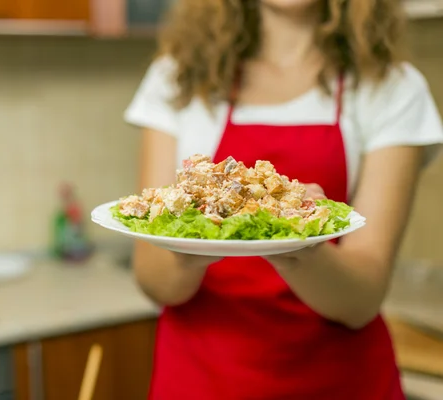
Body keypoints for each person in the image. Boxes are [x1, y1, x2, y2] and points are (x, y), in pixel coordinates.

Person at [123, 0, 443, 399]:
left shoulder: (391, 87)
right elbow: (155, 279)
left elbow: (361, 298)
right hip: (200, 376)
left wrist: (295, 238)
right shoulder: (178, 77)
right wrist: (190, 247)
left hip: (339, 380)